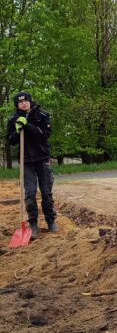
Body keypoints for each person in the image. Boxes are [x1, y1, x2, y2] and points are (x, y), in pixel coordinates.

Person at [5, 91, 58, 238]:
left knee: (46, 192)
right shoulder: (13, 119)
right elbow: (10, 141)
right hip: (26, 160)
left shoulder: (42, 115)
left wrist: (27, 125)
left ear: (30, 101)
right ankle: (33, 224)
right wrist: (17, 131)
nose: (23, 103)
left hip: (42, 158)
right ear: (17, 104)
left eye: (26, 100)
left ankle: (50, 220)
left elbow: (44, 135)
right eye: (20, 102)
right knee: (29, 193)